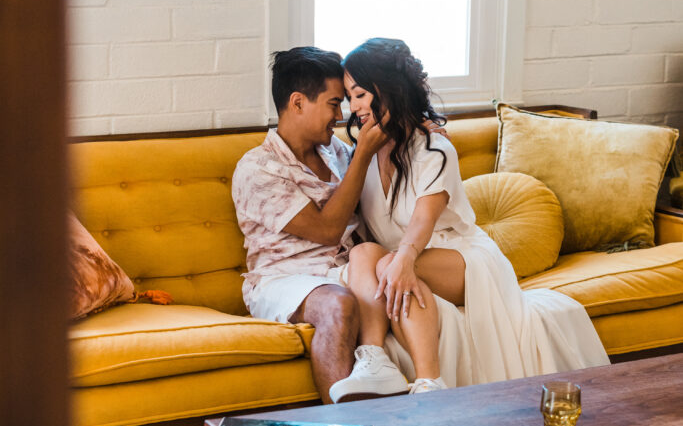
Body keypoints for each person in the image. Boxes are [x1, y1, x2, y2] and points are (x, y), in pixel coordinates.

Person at [329, 37, 609, 398]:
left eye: (360, 94)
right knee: (363, 254)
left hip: (461, 258)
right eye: (349, 97)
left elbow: (422, 222)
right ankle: (375, 359)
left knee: (390, 267)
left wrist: (404, 259)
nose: (353, 107)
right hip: (402, 257)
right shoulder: (361, 153)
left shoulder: (433, 147)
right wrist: (363, 157)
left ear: (387, 90)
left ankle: (430, 384)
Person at [231, 46, 412, 403]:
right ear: (298, 102)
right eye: (333, 104)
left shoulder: (338, 153)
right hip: (284, 279)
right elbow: (327, 230)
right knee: (340, 303)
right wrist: (363, 154)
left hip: (347, 269)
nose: (341, 115)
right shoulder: (258, 169)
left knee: (406, 291)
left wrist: (419, 127)